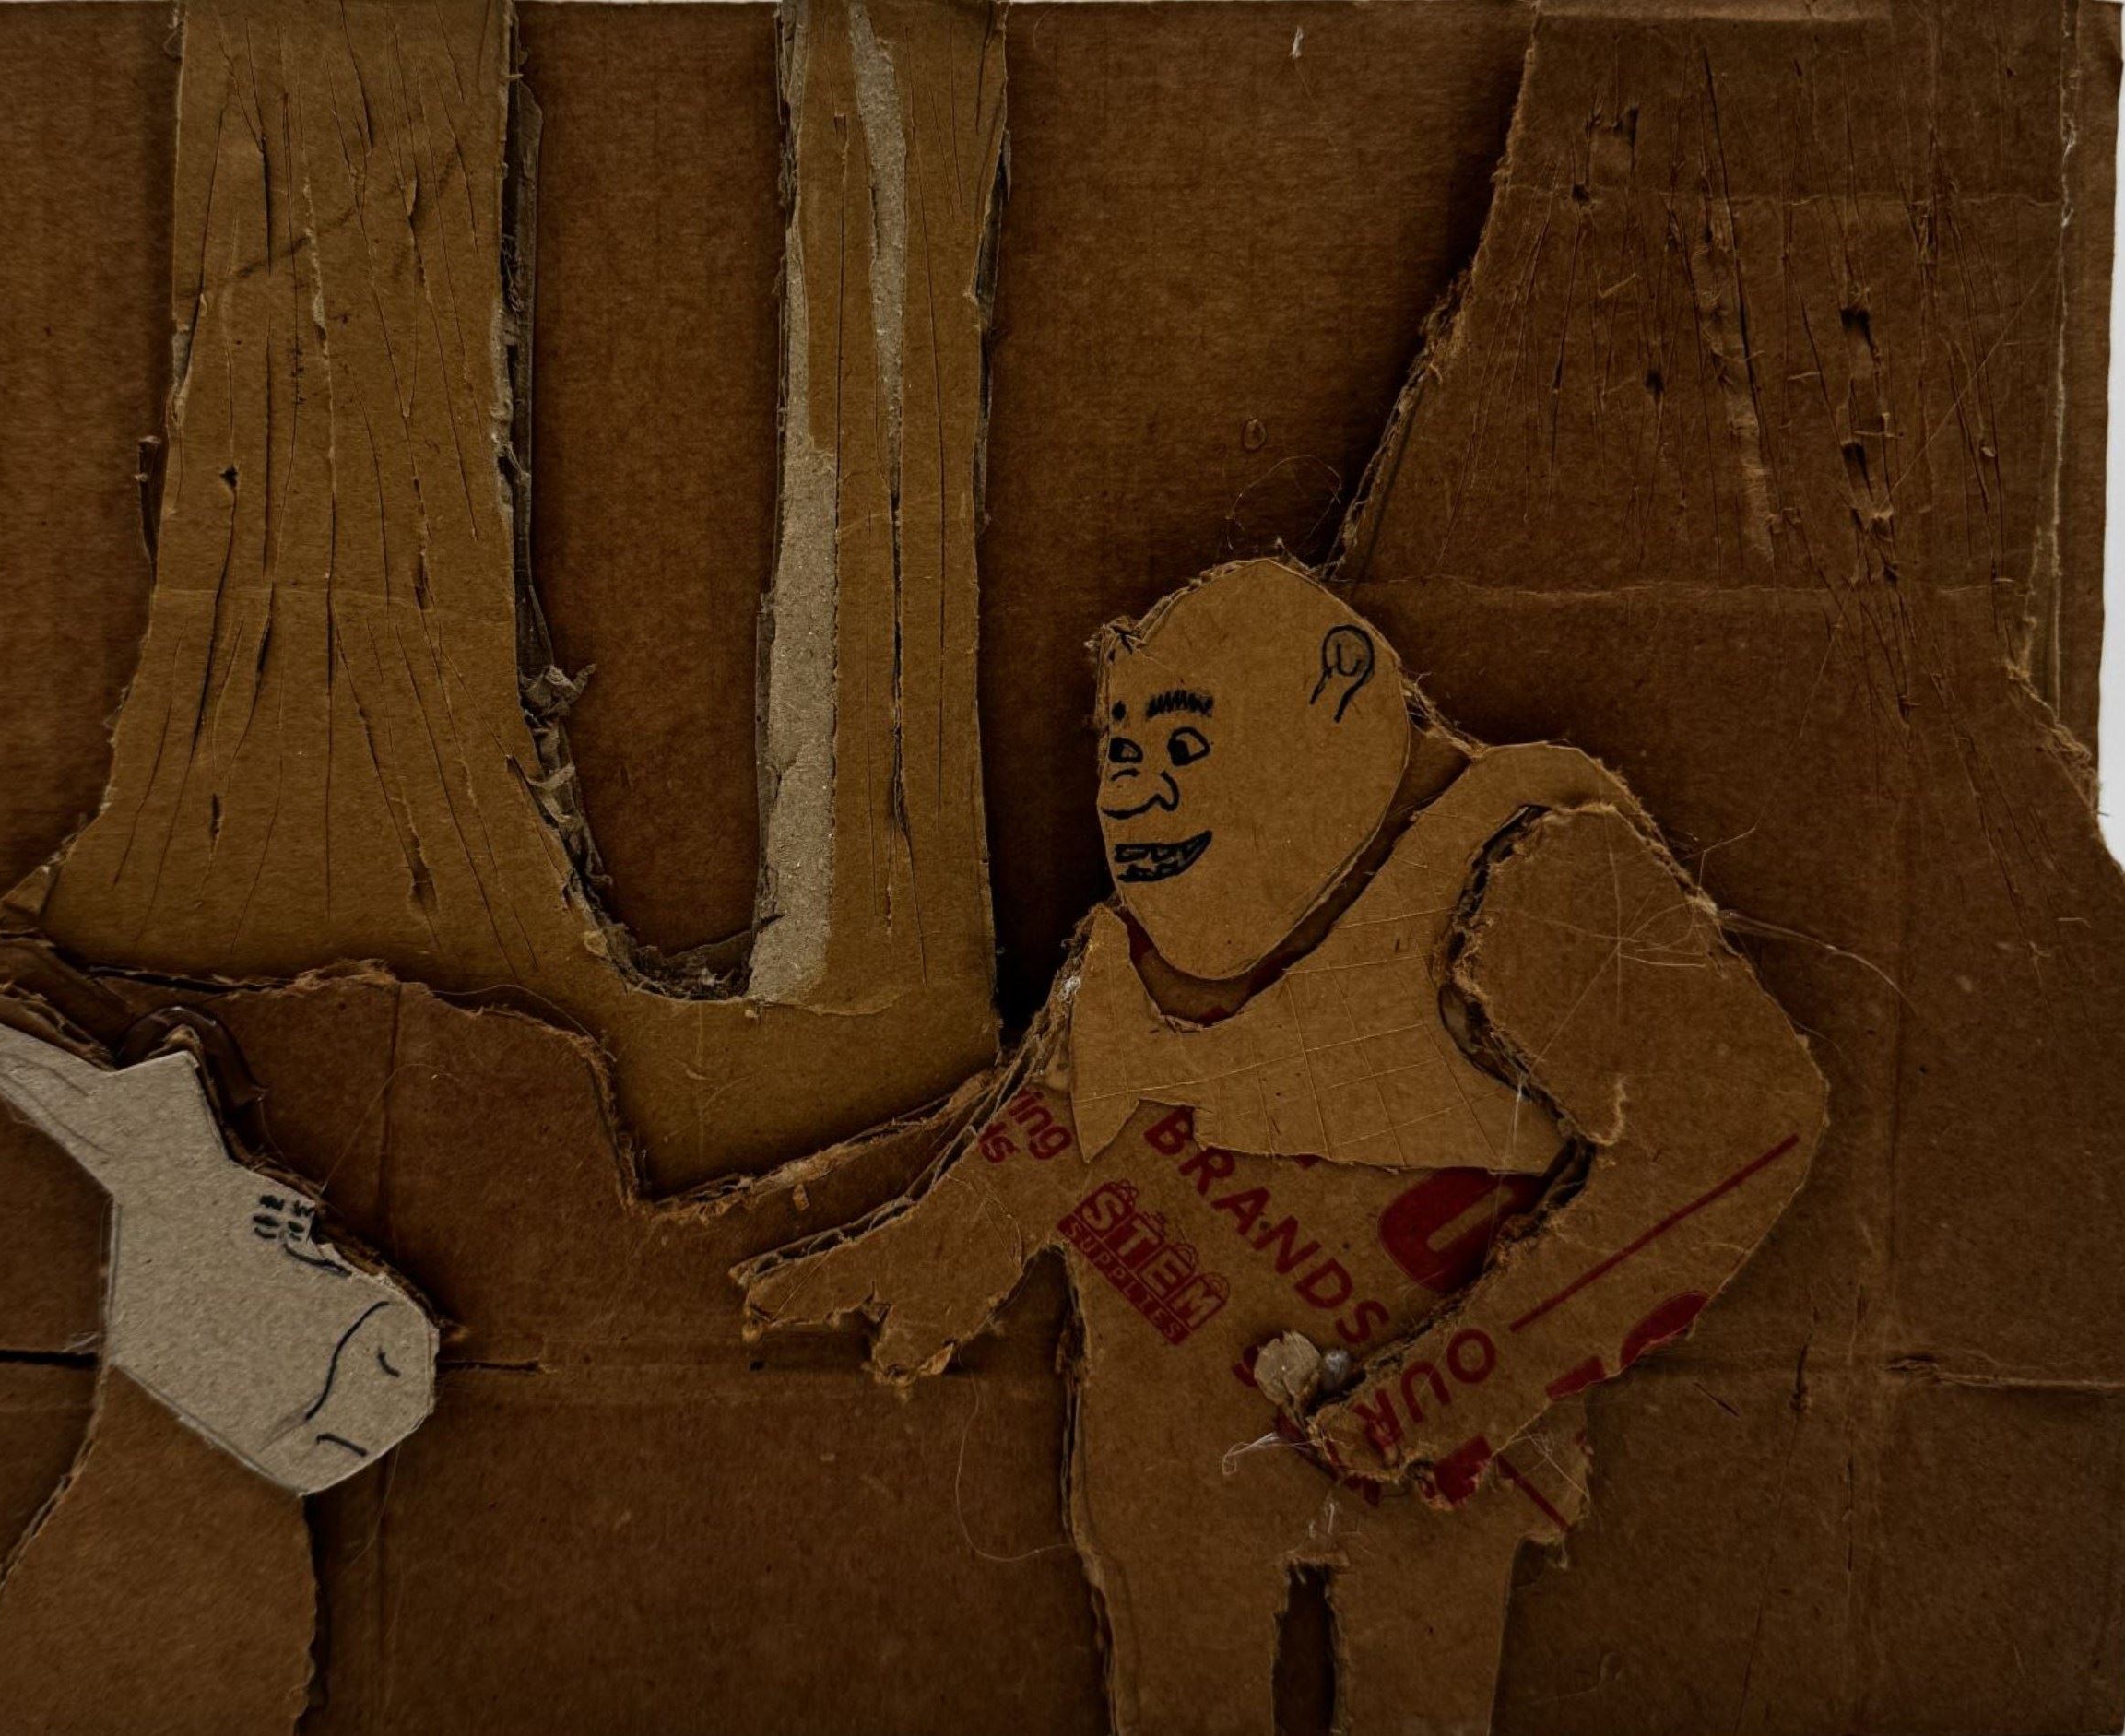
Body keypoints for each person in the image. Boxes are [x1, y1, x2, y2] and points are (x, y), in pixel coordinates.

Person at [740, 558, 1826, 1736]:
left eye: (1183, 743)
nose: (1135, 794)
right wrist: (954, 1231)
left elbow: (1747, 1120)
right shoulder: (1155, 938)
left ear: (1339, 685)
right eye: (1120, 754)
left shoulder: (1525, 875)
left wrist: (1478, 1372)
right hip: (1173, 1446)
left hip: (1403, 1445)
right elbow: (1098, 1075)